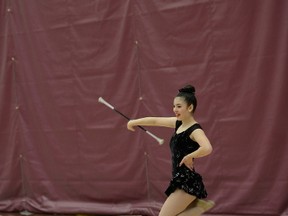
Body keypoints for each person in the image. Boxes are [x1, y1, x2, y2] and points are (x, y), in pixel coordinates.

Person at [127, 85, 215, 216]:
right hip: (179, 178)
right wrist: (134, 122)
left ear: (190, 107)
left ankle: (199, 209)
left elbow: (207, 148)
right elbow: (155, 121)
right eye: (174, 106)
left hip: (187, 181)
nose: (175, 109)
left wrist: (190, 156)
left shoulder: (195, 130)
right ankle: (199, 208)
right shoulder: (179, 123)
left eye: (179, 106)